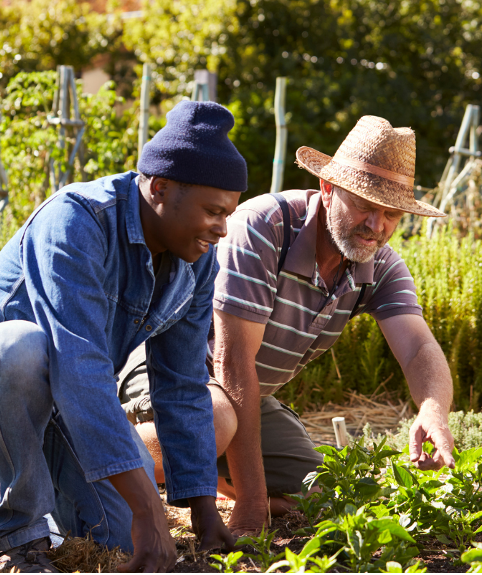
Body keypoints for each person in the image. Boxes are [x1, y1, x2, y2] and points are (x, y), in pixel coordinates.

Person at [0, 101, 245, 573]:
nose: (222, 229)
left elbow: (181, 385)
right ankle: (20, 539)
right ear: (160, 188)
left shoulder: (196, 262)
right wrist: (150, 508)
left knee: (117, 540)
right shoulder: (79, 221)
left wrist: (202, 514)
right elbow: (78, 365)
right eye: (212, 212)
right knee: (22, 346)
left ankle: (38, 483)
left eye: (229, 214)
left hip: (63, 406)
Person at [119, 115, 457, 536]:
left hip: (246, 397)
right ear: (328, 189)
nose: (377, 225)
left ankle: (206, 476)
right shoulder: (265, 226)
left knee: (328, 490)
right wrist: (252, 503)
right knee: (217, 421)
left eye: (391, 214)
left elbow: (419, 349)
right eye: (365, 206)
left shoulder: (378, 263)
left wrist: (433, 408)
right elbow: (231, 361)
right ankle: (95, 467)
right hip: (171, 373)